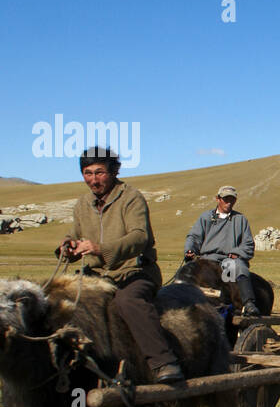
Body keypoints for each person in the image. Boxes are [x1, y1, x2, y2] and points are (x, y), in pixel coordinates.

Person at [59, 146, 184, 383]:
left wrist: (99, 249)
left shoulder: (130, 198)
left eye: (99, 172)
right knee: (61, 302)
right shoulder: (82, 204)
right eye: (87, 173)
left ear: (114, 171)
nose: (93, 180)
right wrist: (68, 245)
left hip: (135, 271)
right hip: (96, 274)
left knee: (128, 301)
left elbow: (140, 236)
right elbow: (73, 234)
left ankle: (164, 362)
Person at [184, 185, 259, 316]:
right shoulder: (206, 217)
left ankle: (248, 303)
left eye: (232, 199)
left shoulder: (240, 219)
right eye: (226, 199)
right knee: (186, 274)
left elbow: (248, 245)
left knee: (237, 267)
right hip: (207, 259)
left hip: (228, 260)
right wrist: (190, 249)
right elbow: (194, 237)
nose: (229, 202)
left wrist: (237, 253)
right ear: (218, 199)